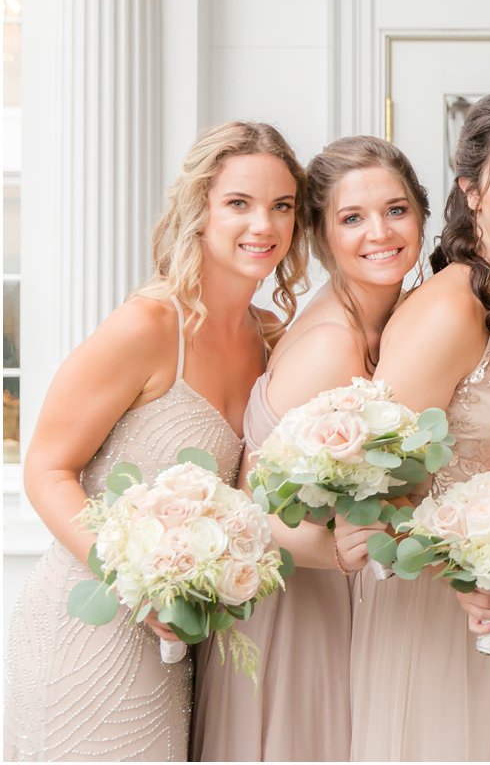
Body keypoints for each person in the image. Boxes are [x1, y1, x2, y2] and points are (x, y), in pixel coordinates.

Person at [5, 122, 306, 761]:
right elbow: (47, 468)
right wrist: (134, 584)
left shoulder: (271, 336)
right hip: (89, 623)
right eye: (239, 204)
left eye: (282, 206)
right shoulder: (147, 325)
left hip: (181, 640)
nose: (264, 224)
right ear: (198, 210)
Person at [347, 92, 490, 761]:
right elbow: (373, 489)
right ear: (471, 192)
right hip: (432, 609)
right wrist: (457, 575)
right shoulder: (451, 307)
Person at [192, 136, 428, 761]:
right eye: (352, 218)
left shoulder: (396, 325)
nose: (380, 232)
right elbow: (248, 509)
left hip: (338, 601)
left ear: (423, 217)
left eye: (396, 210)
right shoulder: (333, 343)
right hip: (291, 610)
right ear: (321, 237)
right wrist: (334, 551)